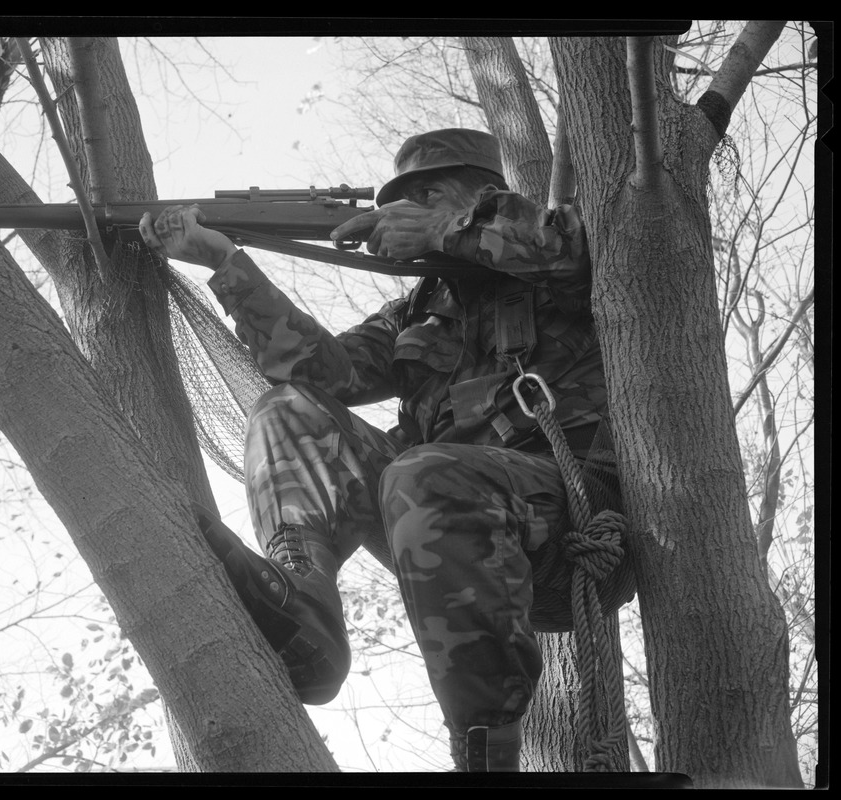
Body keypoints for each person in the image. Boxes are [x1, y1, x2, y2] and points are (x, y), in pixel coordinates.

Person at [139, 128, 611, 772]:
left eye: (429, 194)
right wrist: (225, 261)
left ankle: (486, 753)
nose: (407, 206)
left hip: (564, 528)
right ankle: (304, 609)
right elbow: (321, 372)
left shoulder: (557, 257)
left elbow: (564, 244)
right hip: (438, 523)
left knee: (424, 471)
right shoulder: (418, 310)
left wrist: (442, 230)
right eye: (402, 198)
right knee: (289, 408)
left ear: (486, 196)